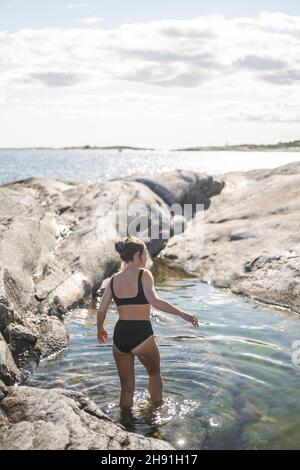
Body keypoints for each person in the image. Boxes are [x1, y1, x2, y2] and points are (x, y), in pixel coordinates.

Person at [97, 235, 200, 410]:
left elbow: (101, 309)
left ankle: (126, 423)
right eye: (145, 253)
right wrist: (182, 313)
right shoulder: (144, 275)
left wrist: (100, 328)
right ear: (137, 255)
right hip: (142, 334)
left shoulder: (114, 280)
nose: (146, 257)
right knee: (154, 372)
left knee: (127, 389)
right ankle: (155, 414)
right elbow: (155, 301)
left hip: (120, 336)